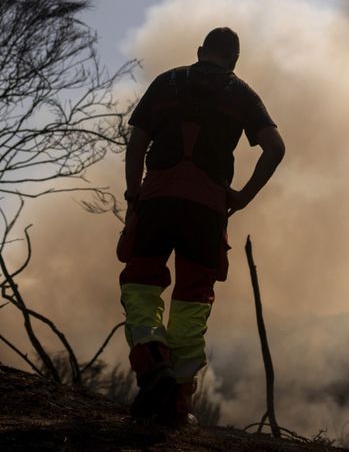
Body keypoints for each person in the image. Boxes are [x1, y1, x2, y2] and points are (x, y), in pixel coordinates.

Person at [117, 27, 285, 424]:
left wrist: (133, 193)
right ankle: (175, 404)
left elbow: (137, 142)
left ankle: (152, 363)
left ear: (199, 52)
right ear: (234, 60)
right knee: (192, 300)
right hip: (207, 210)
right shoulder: (241, 93)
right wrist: (242, 196)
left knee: (141, 284)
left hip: (156, 199)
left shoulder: (167, 81)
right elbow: (276, 148)